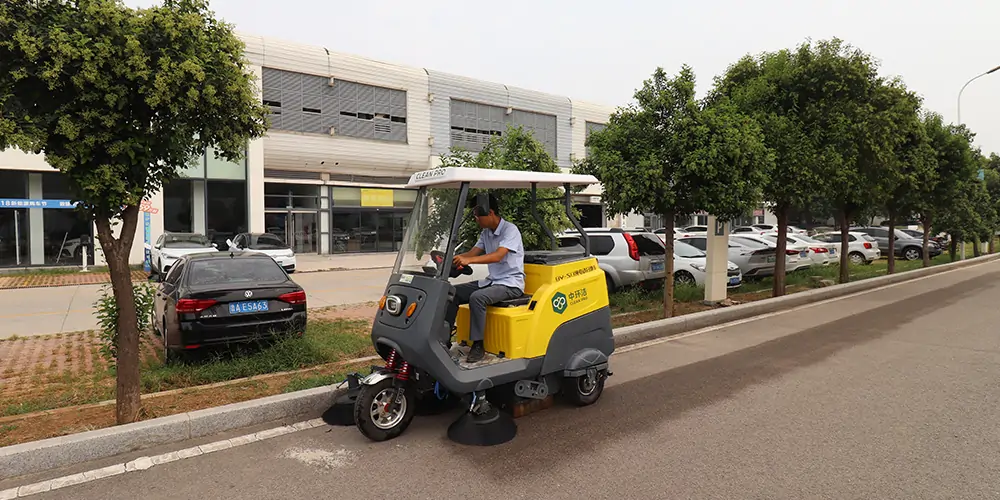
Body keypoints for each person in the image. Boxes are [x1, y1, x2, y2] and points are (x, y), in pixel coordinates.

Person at [447, 194, 525, 363]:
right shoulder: (486, 233)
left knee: (477, 297)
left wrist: (469, 260)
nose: (476, 220)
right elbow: (473, 253)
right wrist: (453, 260)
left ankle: (478, 345)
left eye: (477, 216)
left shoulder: (510, 230)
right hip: (492, 281)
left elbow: (498, 256)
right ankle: (444, 339)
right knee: (451, 292)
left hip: (511, 284)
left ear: (490, 212)